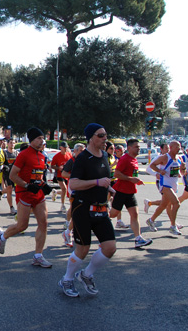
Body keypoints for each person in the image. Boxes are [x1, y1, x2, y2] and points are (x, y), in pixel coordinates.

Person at [58, 123, 117, 298]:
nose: (104, 138)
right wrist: (97, 183)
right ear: (91, 137)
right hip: (82, 207)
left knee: (110, 247)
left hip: (101, 208)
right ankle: (67, 279)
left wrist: (108, 188)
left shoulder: (105, 155)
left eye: (105, 134)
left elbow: (103, 179)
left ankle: (86, 274)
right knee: (83, 249)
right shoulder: (83, 158)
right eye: (100, 135)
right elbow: (74, 183)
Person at [0, 127, 53, 268]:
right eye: (39, 138)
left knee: (43, 222)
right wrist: (27, 186)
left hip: (38, 194)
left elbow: (38, 174)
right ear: (32, 140)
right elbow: (12, 175)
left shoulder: (42, 155)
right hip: (24, 193)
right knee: (22, 225)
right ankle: (2, 236)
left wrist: (44, 184)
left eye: (42, 138)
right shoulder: (23, 155)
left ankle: (38, 256)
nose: (42, 140)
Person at [109, 139, 152, 248]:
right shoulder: (125, 159)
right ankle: (95, 219)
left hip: (130, 192)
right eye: (136, 147)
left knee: (135, 214)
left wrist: (136, 180)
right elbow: (117, 174)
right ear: (129, 148)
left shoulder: (134, 159)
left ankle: (138, 239)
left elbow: (132, 175)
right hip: (121, 191)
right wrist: (130, 179)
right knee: (112, 214)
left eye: (138, 147)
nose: (138, 149)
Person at [148, 141, 184, 235]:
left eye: (179, 147)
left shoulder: (178, 158)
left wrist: (182, 170)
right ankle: (173, 226)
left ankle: (151, 220)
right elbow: (151, 165)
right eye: (177, 147)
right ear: (171, 147)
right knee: (176, 203)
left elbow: (180, 173)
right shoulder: (164, 157)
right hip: (165, 184)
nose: (179, 149)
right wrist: (159, 171)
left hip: (174, 184)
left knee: (163, 205)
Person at [60, 143, 85, 247]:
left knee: (81, 210)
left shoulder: (86, 160)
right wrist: (74, 176)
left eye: (83, 151)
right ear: (74, 151)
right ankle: (68, 230)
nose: (82, 153)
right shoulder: (71, 161)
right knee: (77, 208)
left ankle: (70, 230)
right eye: (80, 151)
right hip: (74, 186)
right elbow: (63, 174)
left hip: (85, 186)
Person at [51, 141, 72, 214]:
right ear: (61, 148)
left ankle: (56, 192)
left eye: (66, 147)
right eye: (64, 148)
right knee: (64, 189)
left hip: (66, 175)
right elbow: (52, 165)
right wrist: (58, 168)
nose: (66, 149)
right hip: (59, 175)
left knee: (66, 191)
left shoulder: (69, 155)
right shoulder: (56, 156)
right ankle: (62, 205)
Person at [2, 138, 18, 215]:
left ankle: (1, 192)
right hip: (7, 175)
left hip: (15, 175)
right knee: (9, 190)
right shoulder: (4, 153)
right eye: (11, 143)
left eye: (13, 143)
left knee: (16, 190)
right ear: (8, 144)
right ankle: (11, 207)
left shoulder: (17, 153)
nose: (12, 144)